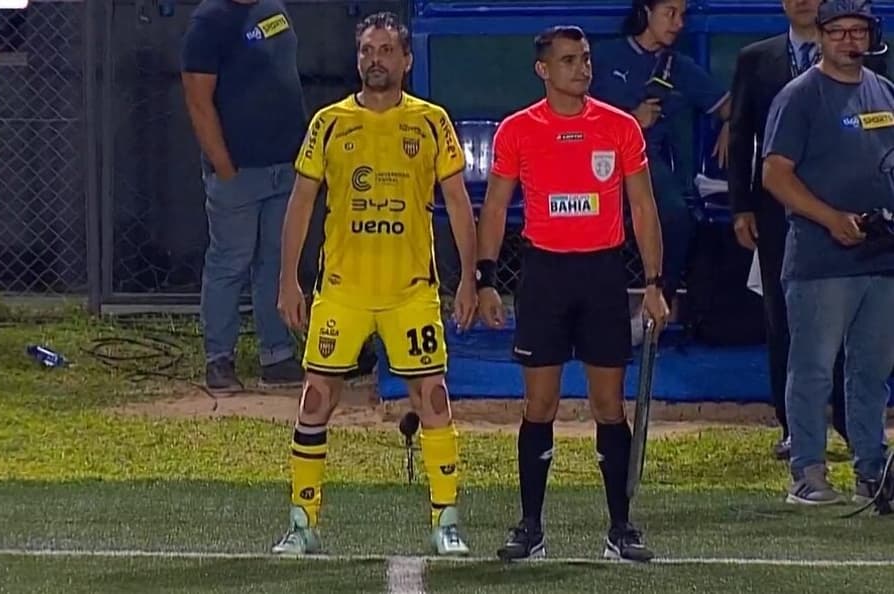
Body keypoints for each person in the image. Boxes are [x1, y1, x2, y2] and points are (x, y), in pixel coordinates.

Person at [270, 11, 478, 555]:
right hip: (342, 290)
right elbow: (301, 202)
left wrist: (470, 281)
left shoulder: (432, 122)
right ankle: (302, 522)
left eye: (387, 50)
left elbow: (458, 203)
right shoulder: (329, 122)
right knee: (316, 397)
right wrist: (289, 279)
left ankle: (446, 520)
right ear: (357, 58)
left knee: (432, 396)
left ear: (407, 60)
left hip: (410, 290)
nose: (375, 59)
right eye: (367, 50)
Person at [477, 25, 670, 562]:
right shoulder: (517, 131)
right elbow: (494, 208)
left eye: (584, 59)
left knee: (609, 405)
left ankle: (621, 528)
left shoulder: (619, 127)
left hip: (604, 276)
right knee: (540, 404)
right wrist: (486, 279)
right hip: (544, 277)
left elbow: (644, 208)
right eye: (568, 60)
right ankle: (531, 527)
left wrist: (654, 283)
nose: (581, 68)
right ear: (543, 70)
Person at [728, 0, 890, 461]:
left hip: (877, 251)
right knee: (807, 357)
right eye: (838, 32)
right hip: (809, 244)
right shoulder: (792, 90)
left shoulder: (882, 87)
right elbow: (766, 163)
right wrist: (828, 219)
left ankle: (869, 465)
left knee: (869, 365)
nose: (849, 41)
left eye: (857, 32)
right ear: (822, 34)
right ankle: (806, 463)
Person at [180, 0, 307, 392]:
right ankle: (219, 358)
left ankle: (277, 354)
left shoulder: (274, 8)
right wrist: (224, 167)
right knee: (229, 263)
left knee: (276, 261)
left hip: (286, 166)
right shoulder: (208, 22)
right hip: (239, 170)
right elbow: (198, 101)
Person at [590, 0, 731, 338]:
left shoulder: (678, 67)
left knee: (677, 215)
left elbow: (730, 105)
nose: (679, 23)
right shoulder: (601, 56)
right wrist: (631, 120)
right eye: (670, 13)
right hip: (592, 157)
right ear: (645, 13)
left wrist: (731, 124)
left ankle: (655, 308)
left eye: (683, 15)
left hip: (643, 162)